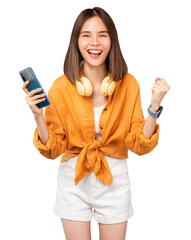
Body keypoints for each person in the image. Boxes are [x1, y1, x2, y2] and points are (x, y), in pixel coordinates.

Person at [22, 7, 170, 240]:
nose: (95, 42)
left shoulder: (128, 84)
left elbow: (139, 145)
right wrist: (38, 116)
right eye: (86, 35)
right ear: (76, 41)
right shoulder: (61, 87)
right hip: (74, 179)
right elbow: (52, 149)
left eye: (102, 35)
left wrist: (153, 108)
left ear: (112, 40)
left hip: (114, 177)